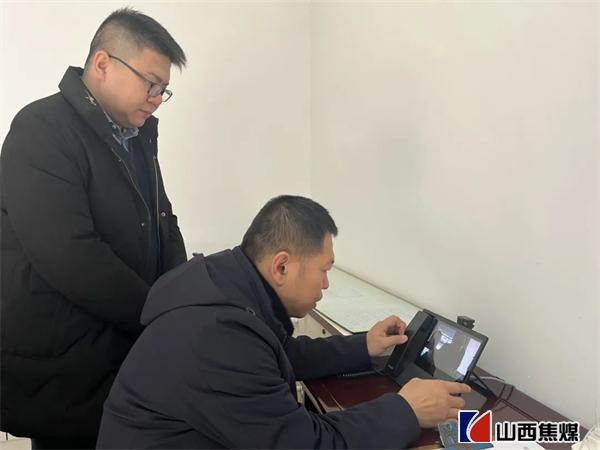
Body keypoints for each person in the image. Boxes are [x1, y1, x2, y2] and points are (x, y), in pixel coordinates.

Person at [96, 195, 469, 449]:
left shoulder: (224, 282)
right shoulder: (217, 337)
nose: (326, 284)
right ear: (282, 266)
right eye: (324, 270)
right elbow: (307, 444)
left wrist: (364, 346)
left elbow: (280, 354)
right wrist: (405, 410)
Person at [1, 8, 187, 449]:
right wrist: (158, 313)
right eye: (150, 83)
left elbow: (163, 223)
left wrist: (184, 300)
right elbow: (69, 255)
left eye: (163, 90)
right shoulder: (41, 128)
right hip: (67, 365)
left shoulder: (137, 137)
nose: (156, 98)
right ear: (103, 63)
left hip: (124, 351)